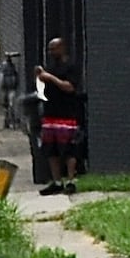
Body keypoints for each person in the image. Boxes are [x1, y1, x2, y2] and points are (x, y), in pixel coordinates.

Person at [35, 37, 84, 196]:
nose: (51, 52)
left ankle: (70, 180)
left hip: (67, 114)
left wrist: (50, 78)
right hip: (50, 114)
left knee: (69, 149)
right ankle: (56, 182)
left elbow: (69, 87)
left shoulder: (70, 67)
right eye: (49, 49)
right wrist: (40, 76)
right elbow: (42, 90)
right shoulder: (50, 67)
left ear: (62, 48)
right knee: (51, 149)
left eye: (53, 49)